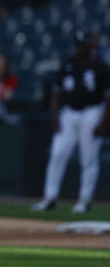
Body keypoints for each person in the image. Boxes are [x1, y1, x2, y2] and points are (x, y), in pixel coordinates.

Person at [31, 31, 110, 214]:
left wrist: (103, 122)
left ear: (91, 46)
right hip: (68, 113)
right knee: (58, 154)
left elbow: (107, 98)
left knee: (88, 158)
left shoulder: (101, 67)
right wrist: (54, 116)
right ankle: (49, 198)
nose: (80, 48)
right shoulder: (68, 64)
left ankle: (84, 200)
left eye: (83, 45)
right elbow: (56, 93)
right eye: (78, 45)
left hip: (91, 111)